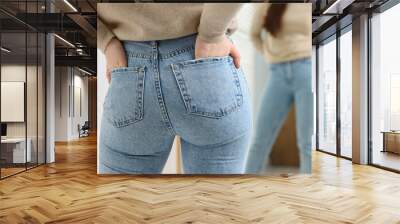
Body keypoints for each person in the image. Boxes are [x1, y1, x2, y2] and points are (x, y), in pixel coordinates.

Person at [97, 3, 252, 174]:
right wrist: (212, 35)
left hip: (129, 67)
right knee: (214, 199)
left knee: (119, 198)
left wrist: (106, 41)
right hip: (204, 62)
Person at [246, 3, 313, 174]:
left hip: (306, 69)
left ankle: (310, 192)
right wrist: (268, 54)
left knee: (306, 143)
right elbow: (254, 35)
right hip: (278, 73)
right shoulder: (268, 5)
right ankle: (245, 188)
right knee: (260, 139)